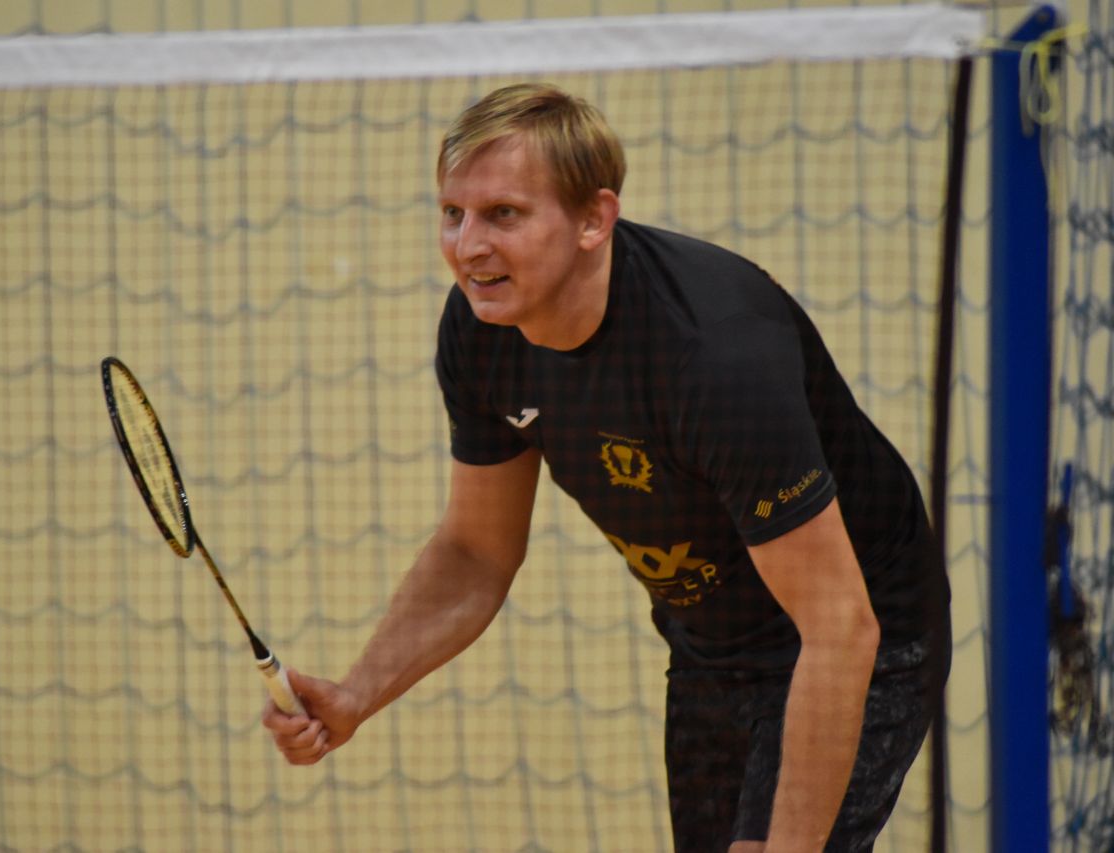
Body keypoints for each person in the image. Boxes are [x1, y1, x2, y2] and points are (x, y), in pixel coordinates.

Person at [262, 83, 951, 853]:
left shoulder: (716, 360)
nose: (467, 245)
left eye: (503, 214)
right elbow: (477, 551)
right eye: (453, 212)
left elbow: (840, 626)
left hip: (857, 631)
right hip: (709, 644)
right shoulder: (483, 328)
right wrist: (356, 693)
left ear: (594, 219)